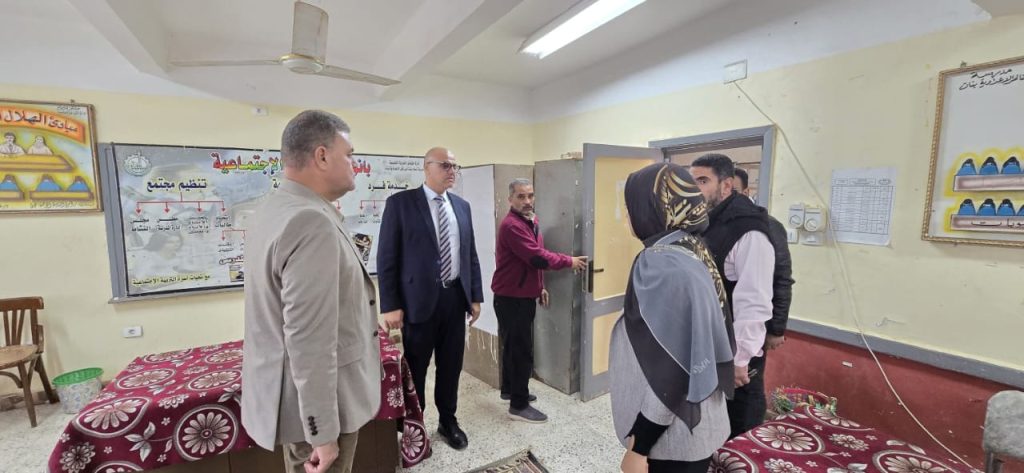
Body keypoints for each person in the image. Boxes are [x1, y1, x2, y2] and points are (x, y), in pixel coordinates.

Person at [242, 110, 381, 473]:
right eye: (349, 155)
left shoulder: (276, 208)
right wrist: (322, 431)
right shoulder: (310, 221)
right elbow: (309, 339)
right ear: (322, 156)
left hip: (299, 399)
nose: (354, 165)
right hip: (321, 408)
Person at [612, 163, 735, 473]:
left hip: (672, 437)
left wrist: (640, 447)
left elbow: (671, 370)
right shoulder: (688, 247)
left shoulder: (661, 263)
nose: (626, 216)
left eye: (630, 207)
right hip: (699, 427)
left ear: (652, 209)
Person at [377, 147, 483, 451]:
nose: (452, 171)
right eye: (445, 165)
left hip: (454, 299)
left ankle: (448, 421)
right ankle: (415, 425)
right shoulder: (401, 204)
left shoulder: (461, 206)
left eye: (455, 166)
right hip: (417, 302)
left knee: (451, 366)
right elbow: (387, 257)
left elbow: (469, 255)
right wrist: (391, 305)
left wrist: (475, 296)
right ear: (426, 167)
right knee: (417, 368)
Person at [689, 153, 775, 439]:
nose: (694, 189)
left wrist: (741, 359)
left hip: (737, 353)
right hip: (711, 345)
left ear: (726, 186)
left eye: (703, 181)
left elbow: (754, 301)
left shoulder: (748, 230)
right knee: (710, 428)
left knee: (737, 428)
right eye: (692, 181)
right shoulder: (707, 221)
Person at [491, 178, 587, 423]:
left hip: (521, 294)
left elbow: (531, 261)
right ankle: (518, 405)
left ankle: (509, 390)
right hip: (512, 298)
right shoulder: (512, 226)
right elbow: (537, 257)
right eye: (521, 196)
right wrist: (570, 261)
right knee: (520, 351)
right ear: (510, 199)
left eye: (530, 195)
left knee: (513, 346)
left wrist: (539, 286)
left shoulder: (530, 220)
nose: (527, 201)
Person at [733, 168, 794, 351]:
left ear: (746, 192)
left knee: (749, 368)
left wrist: (776, 329)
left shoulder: (768, 225)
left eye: (733, 191)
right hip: (725, 322)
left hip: (755, 326)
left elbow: (782, 278)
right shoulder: (714, 225)